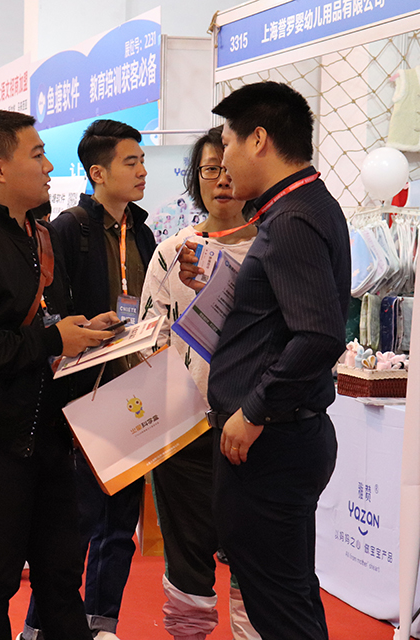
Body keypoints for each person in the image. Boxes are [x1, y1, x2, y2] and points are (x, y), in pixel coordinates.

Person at [0, 109, 119, 640]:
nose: (50, 166)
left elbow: (47, 321)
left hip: (51, 436)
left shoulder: (38, 235)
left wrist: (85, 332)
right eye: (37, 154)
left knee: (61, 577)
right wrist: (54, 341)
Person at [179, 81, 350, 640]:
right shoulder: (303, 205)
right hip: (281, 438)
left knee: (277, 605)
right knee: (288, 594)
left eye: (227, 145)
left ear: (258, 140)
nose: (223, 163)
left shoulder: (292, 218)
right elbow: (289, 317)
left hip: (271, 442)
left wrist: (254, 410)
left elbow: (319, 335)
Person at [21, 119, 154, 640]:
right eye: (131, 162)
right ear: (97, 173)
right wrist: (84, 329)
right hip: (83, 394)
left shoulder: (142, 231)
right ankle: (40, 626)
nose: (142, 171)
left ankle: (103, 623)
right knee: (73, 523)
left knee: (120, 522)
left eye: (142, 161)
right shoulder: (68, 230)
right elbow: (49, 313)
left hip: (133, 389)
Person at [140, 127, 259, 640]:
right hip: (185, 427)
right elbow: (151, 337)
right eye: (211, 169)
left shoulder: (271, 248)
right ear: (197, 177)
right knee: (186, 554)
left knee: (254, 556)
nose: (222, 180)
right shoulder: (173, 252)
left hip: (254, 425)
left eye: (230, 169)